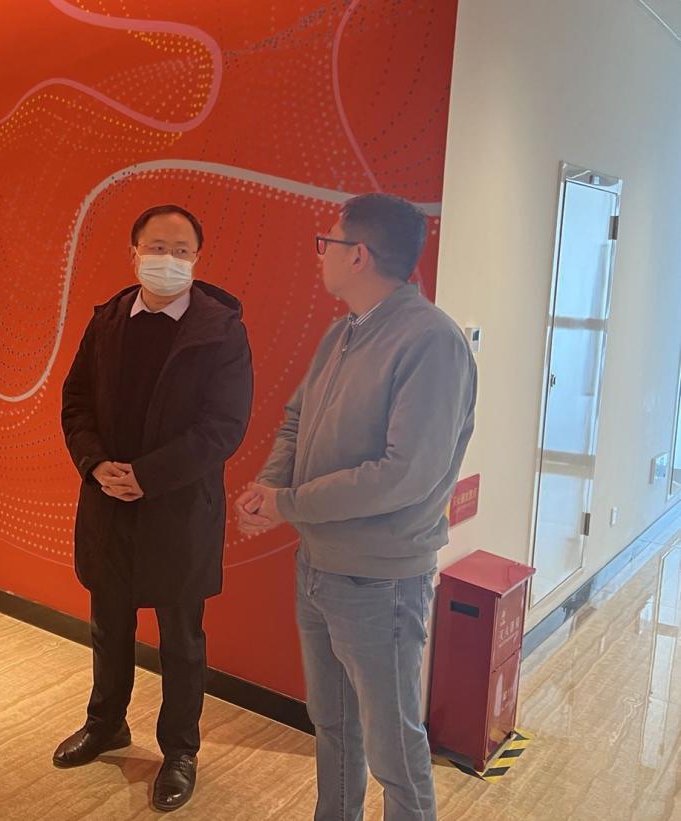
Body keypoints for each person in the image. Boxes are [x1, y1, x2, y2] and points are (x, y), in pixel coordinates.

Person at [235, 192, 477, 821]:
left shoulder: (433, 341)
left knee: (393, 749)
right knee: (334, 726)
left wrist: (288, 503)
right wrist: (267, 491)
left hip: (381, 582)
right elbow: (296, 421)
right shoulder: (343, 332)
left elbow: (402, 476)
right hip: (319, 566)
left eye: (329, 242)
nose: (321, 254)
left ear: (359, 255)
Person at [56, 204, 254, 813]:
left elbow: (223, 427)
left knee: (181, 640)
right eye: (157, 247)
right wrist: (95, 464)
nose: (168, 259)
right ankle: (106, 723)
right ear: (134, 253)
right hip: (108, 501)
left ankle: (180, 751)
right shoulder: (108, 319)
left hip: (178, 509)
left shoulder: (220, 330)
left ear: (197, 258)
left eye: (182, 250)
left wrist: (148, 476)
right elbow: (76, 401)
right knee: (108, 625)